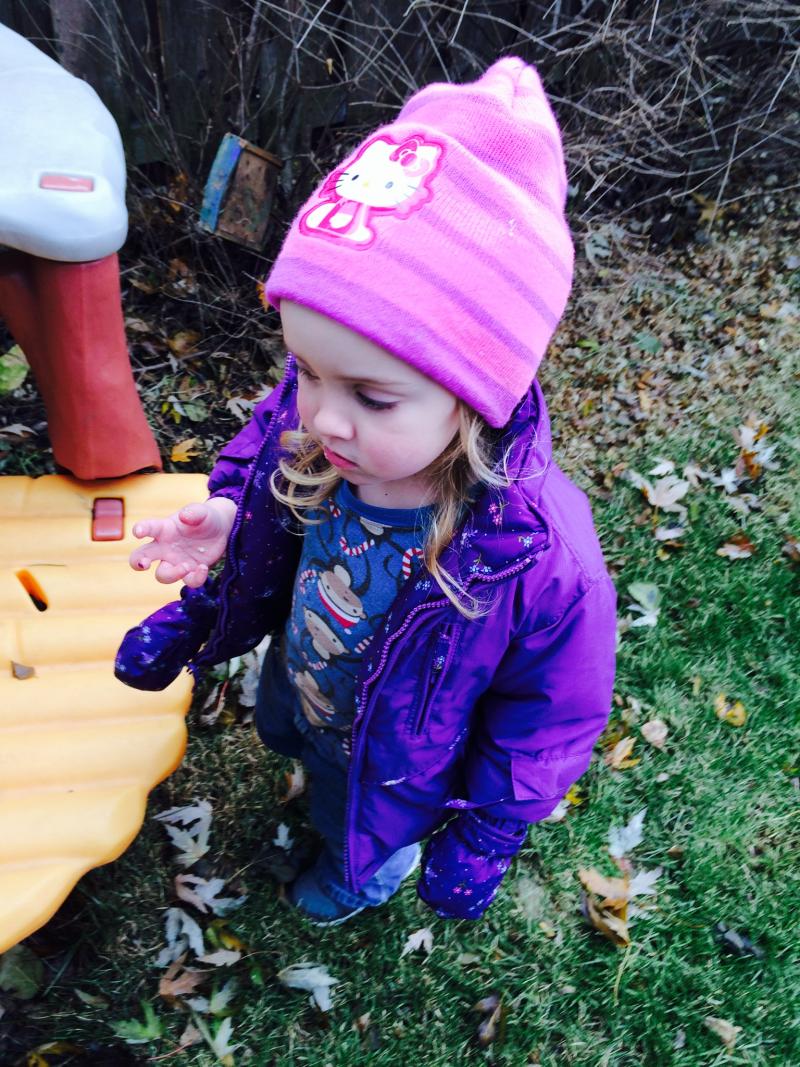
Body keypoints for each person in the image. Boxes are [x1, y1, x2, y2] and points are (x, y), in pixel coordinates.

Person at [116, 57, 617, 926]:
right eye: (307, 370)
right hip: (308, 677)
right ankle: (320, 783)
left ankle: (366, 872)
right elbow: (264, 453)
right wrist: (230, 513)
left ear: (477, 394)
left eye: (370, 396)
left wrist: (488, 831)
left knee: (362, 820)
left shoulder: (539, 559)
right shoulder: (323, 427)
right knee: (310, 755)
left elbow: (549, 715)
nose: (320, 416)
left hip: (402, 762)